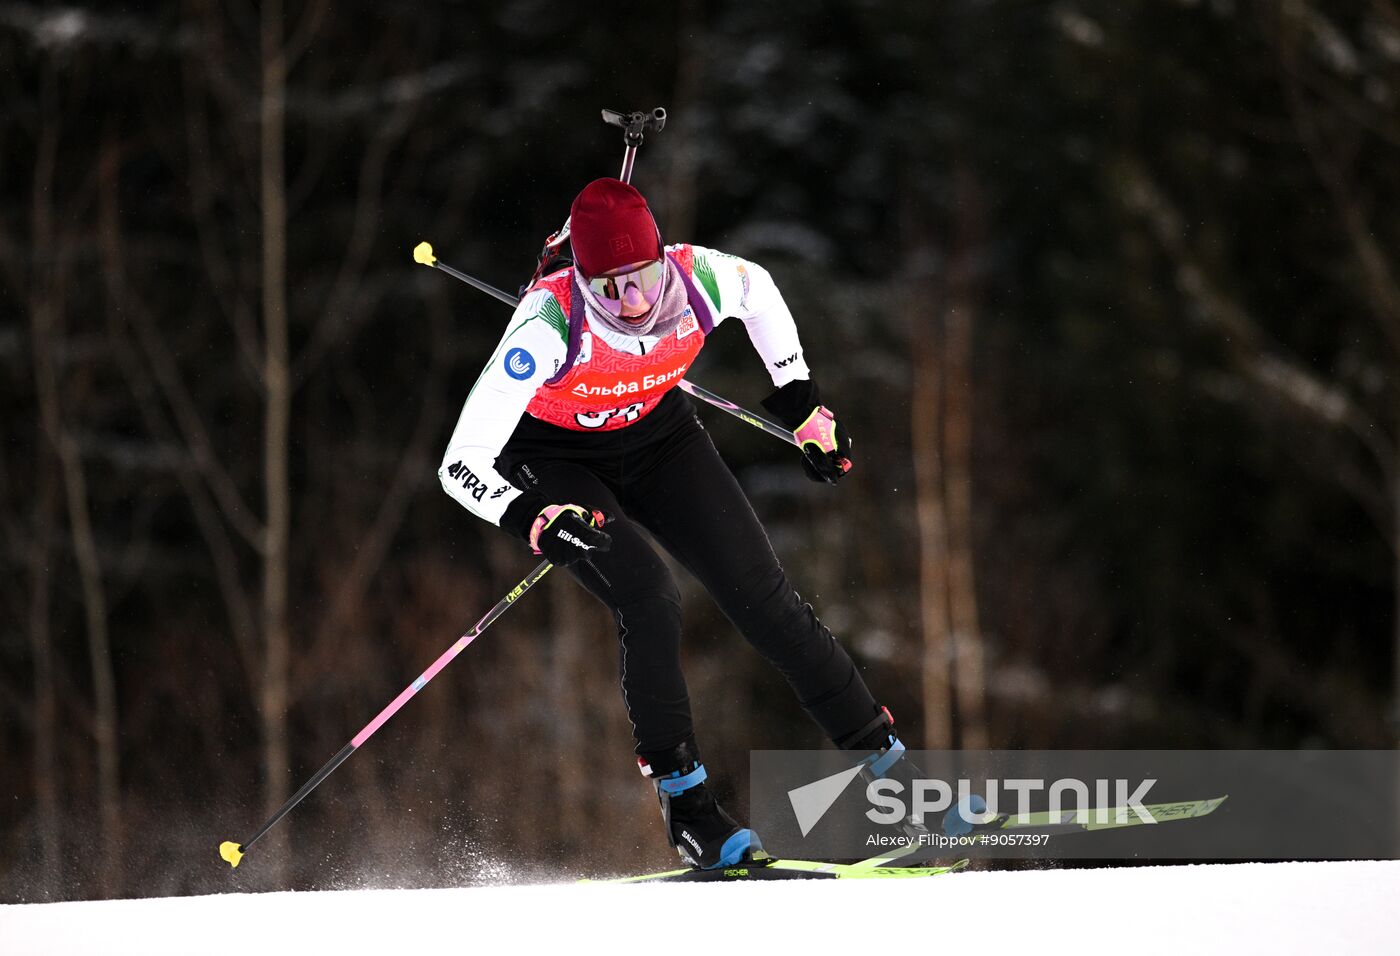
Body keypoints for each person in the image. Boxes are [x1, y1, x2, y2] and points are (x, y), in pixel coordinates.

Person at [440, 178, 910, 869]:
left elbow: (761, 293)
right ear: (582, 280)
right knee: (649, 596)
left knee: (764, 597)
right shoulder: (547, 325)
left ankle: (894, 778)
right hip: (554, 457)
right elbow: (460, 463)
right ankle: (690, 812)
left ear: (664, 258)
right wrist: (532, 517)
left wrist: (801, 401)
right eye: (610, 290)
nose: (632, 302)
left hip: (661, 439)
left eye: (643, 278)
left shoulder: (699, 278)